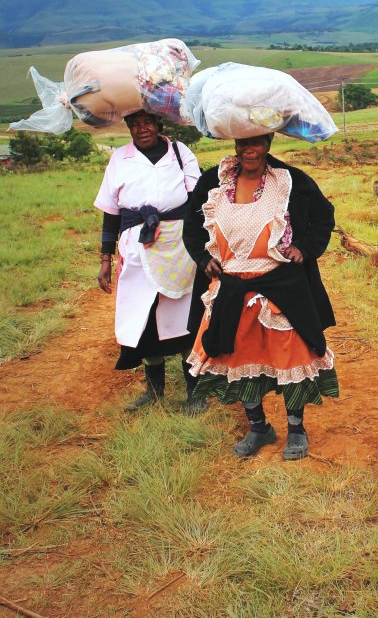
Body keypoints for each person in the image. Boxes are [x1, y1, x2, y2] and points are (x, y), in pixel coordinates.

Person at [182, 134, 338, 460]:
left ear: (268, 142)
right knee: (236, 356)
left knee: (290, 357)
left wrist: (304, 249)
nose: (248, 150)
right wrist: (202, 257)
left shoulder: (288, 180)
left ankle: (296, 429)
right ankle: (259, 428)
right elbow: (192, 227)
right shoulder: (215, 180)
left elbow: (324, 215)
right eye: (242, 143)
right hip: (232, 287)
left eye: (256, 143)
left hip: (280, 286)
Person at [95, 110, 206, 413]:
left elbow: (199, 203)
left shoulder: (180, 153)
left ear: (158, 124)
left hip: (178, 247)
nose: (141, 128)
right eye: (134, 124)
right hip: (137, 248)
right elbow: (110, 213)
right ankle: (154, 391)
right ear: (128, 127)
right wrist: (106, 257)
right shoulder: (120, 158)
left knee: (183, 317)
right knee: (144, 318)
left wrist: (205, 246)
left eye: (147, 122)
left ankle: (195, 393)